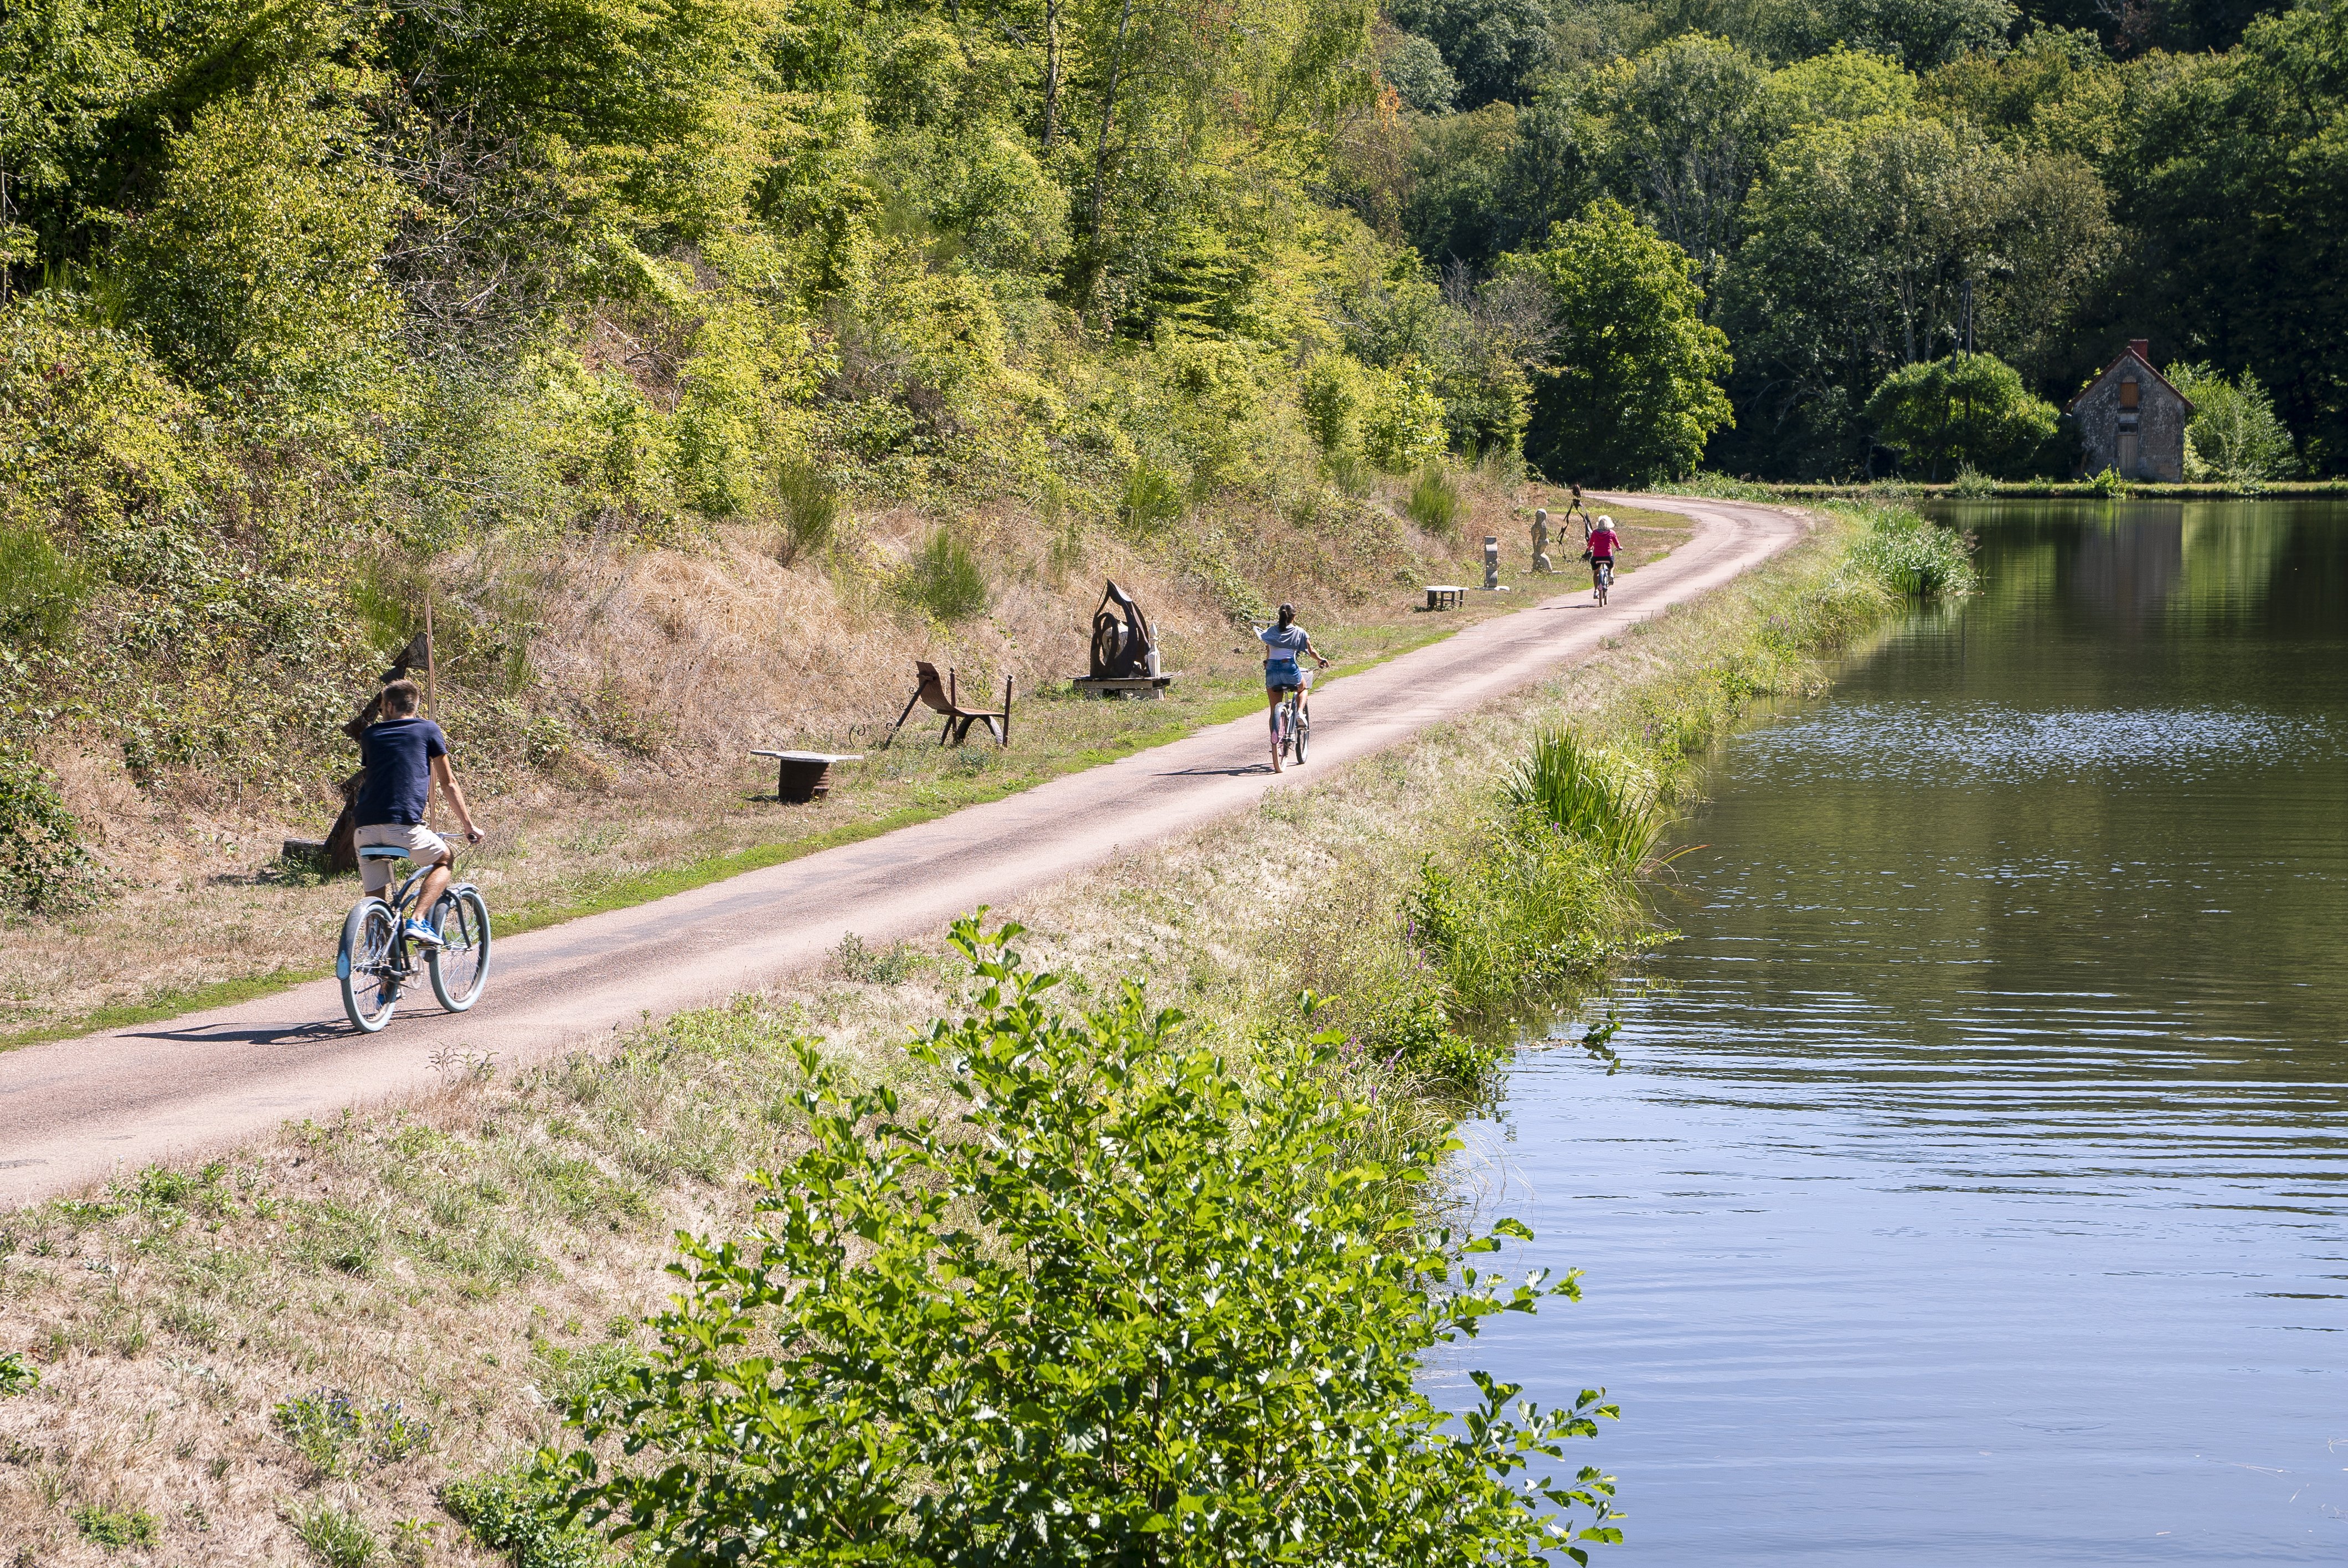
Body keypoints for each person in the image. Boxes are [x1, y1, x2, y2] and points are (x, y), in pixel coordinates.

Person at [352, 678, 482, 946]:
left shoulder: (370, 735)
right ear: (414, 705)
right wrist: (468, 825)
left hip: (363, 830)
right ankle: (419, 920)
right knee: (445, 858)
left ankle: (379, 960)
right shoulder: (428, 730)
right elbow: (448, 783)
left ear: (388, 706)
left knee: (376, 902)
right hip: (404, 827)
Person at [1259, 604, 1329, 773]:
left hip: (1272, 671)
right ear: (1294, 617)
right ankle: (1298, 713)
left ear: (1279, 616)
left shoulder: (1269, 633)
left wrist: (1267, 662)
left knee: (1272, 710)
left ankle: (1275, 739)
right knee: (1303, 688)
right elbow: (1310, 651)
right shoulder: (1299, 632)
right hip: (1289, 668)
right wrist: (1320, 660)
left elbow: (1268, 654)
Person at [1586, 513, 1621, 599]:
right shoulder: (1612, 533)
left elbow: (1590, 544)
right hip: (1608, 557)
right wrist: (1619, 548)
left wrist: (1589, 548)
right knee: (1612, 565)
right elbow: (1617, 544)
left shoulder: (1594, 533)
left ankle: (1596, 591)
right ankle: (1611, 574)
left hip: (1597, 557)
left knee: (1596, 572)